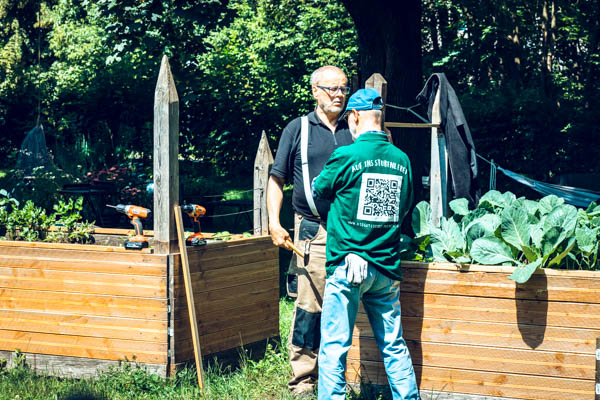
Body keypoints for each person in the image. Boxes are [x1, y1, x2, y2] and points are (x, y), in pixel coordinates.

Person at [312, 88, 420, 400]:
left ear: (355, 116)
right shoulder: (402, 160)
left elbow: (319, 188)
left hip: (347, 265)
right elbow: (404, 208)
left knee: (334, 345)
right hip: (385, 267)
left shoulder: (347, 155)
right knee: (394, 345)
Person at [267, 65, 354, 395]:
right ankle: (304, 378)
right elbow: (276, 179)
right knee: (309, 305)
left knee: (349, 300)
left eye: (343, 88)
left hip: (353, 232)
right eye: (332, 88)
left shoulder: (355, 127)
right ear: (315, 91)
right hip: (313, 230)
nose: (338, 95)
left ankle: (345, 373)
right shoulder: (298, 128)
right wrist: (274, 222)